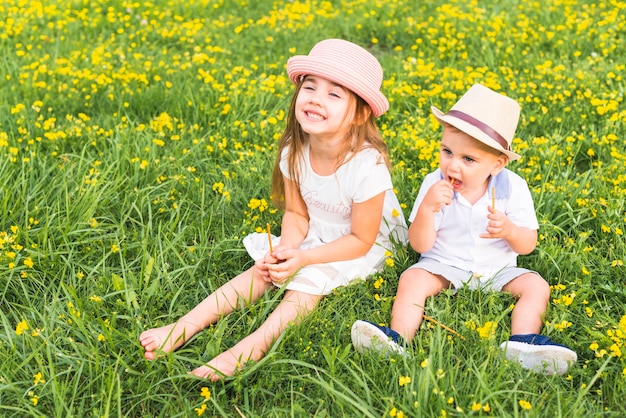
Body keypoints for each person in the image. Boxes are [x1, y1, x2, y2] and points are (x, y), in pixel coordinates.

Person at [139, 38, 407, 381]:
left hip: (361, 244)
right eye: (310, 87)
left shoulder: (366, 167)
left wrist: (306, 259)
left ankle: (252, 345)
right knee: (265, 267)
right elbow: (297, 215)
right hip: (318, 232)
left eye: (334, 94)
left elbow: (361, 239)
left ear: (359, 113)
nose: (315, 98)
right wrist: (287, 249)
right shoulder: (295, 152)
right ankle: (184, 325)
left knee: (307, 283)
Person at [351, 84, 577, 376]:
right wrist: (427, 209)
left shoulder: (513, 188)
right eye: (447, 152)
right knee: (412, 279)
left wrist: (508, 230)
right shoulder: (435, 185)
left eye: (468, 159)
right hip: (443, 264)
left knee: (537, 287)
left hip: (498, 270)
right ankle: (397, 339)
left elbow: (527, 244)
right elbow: (420, 244)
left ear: (497, 164)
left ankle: (523, 342)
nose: (453, 166)